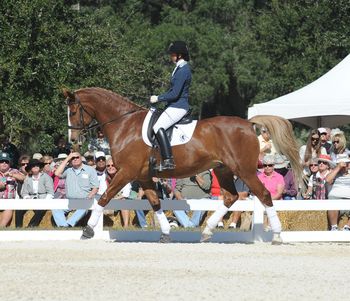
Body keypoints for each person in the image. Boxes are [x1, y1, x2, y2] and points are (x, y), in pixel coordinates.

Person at [149, 41, 192, 170]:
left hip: (179, 106)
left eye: (173, 54)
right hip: (174, 105)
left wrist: (158, 98)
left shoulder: (183, 70)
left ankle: (168, 160)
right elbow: (171, 91)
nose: (171, 56)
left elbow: (174, 94)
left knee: (157, 126)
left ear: (179, 55)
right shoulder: (179, 68)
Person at [52, 152, 99, 227]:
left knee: (85, 207)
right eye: (73, 158)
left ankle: (69, 224)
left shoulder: (90, 170)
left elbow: (95, 187)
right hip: (69, 201)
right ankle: (64, 226)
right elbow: (57, 173)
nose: (75, 159)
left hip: (84, 201)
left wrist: (89, 197)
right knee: (55, 207)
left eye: (77, 157)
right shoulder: (68, 170)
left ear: (81, 158)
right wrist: (67, 158)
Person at [21, 159, 54, 227]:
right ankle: (18, 227)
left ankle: (30, 226)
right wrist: (27, 199)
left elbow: (50, 192)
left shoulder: (46, 177)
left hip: (43, 199)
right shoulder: (27, 178)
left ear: (40, 167)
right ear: (30, 168)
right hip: (31, 200)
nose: (35, 167)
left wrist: (45, 201)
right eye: (33, 166)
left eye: (37, 165)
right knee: (19, 209)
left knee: (41, 209)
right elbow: (24, 192)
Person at [326, 153, 350, 231]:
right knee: (332, 204)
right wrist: (338, 168)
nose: (344, 167)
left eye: (345, 164)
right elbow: (327, 180)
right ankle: (334, 227)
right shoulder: (335, 173)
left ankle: (347, 227)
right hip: (335, 199)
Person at [105, 158, 131, 227]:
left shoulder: (124, 177)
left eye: (113, 165)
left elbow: (126, 194)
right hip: (106, 200)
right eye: (108, 166)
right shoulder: (103, 178)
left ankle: (126, 227)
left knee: (124, 201)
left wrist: (115, 199)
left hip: (119, 199)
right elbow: (101, 192)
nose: (110, 167)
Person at [0, 152, 23, 227]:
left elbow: (24, 178)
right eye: (1, 161)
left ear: (9, 163)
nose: (4, 163)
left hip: (9, 200)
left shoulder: (14, 171)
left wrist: (12, 175)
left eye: (6, 161)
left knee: (9, 206)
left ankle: (1, 228)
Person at [15, 155, 30, 227]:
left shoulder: (35, 174)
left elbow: (25, 178)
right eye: (23, 164)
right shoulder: (17, 173)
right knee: (18, 209)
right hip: (21, 200)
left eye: (27, 164)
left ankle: (31, 227)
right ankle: (18, 229)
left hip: (34, 199)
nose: (25, 165)